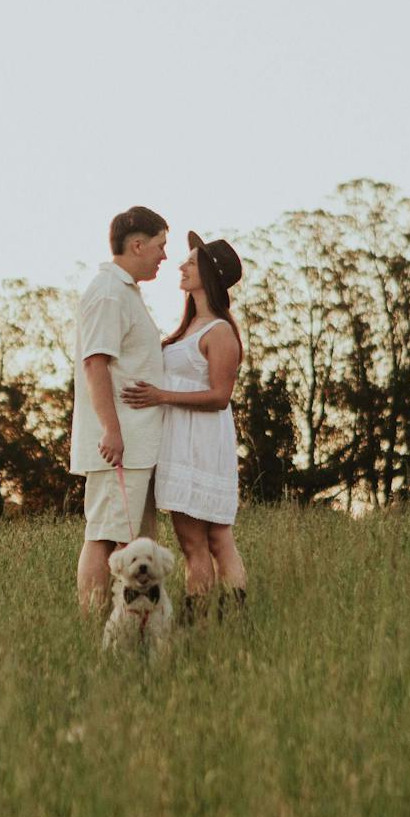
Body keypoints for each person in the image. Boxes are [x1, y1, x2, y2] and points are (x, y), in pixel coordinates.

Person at [122, 231, 247, 618]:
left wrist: (162, 396)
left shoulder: (220, 331)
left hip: (204, 443)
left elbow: (220, 396)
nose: (181, 265)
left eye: (190, 262)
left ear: (208, 273)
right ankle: (205, 620)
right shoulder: (187, 329)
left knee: (214, 539)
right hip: (179, 441)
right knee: (193, 540)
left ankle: (222, 620)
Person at [72, 206, 171, 614]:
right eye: (161, 245)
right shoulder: (108, 292)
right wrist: (111, 431)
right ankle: (95, 628)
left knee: (131, 540)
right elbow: (96, 363)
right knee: (104, 536)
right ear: (137, 244)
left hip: (137, 444)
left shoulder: (125, 291)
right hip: (120, 444)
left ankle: (136, 631)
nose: (164, 256)